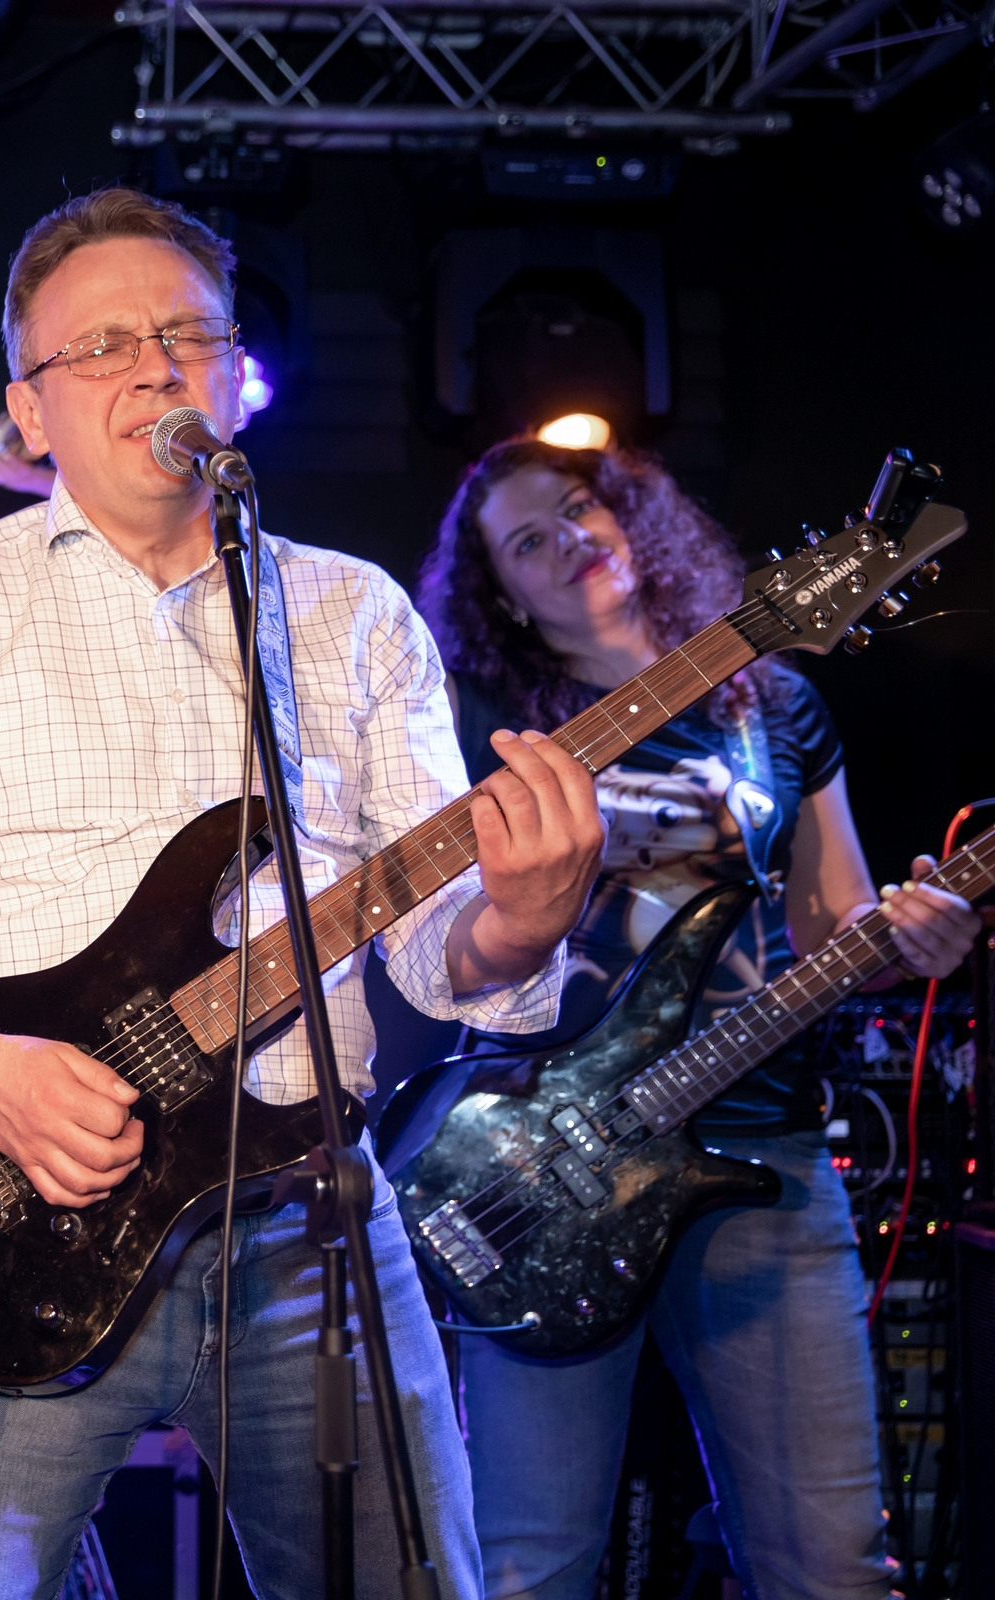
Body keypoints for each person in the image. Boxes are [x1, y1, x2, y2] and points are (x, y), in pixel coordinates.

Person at [0, 186, 609, 1600]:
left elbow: (450, 949)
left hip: (308, 1221)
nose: (155, 364)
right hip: (23, 1209)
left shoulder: (350, 613)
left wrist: (529, 908)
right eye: (104, 346)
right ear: (30, 412)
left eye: (189, 334)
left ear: (238, 378)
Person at [415, 437, 978, 1600]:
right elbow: (441, 957)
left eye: (579, 508)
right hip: (545, 1177)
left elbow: (833, 928)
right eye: (529, 540)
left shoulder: (775, 700)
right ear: (500, 598)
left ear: (629, 518)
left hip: (762, 1163)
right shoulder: (487, 727)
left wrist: (914, 932)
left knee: (830, 1569)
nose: (570, 540)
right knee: (529, 1568)